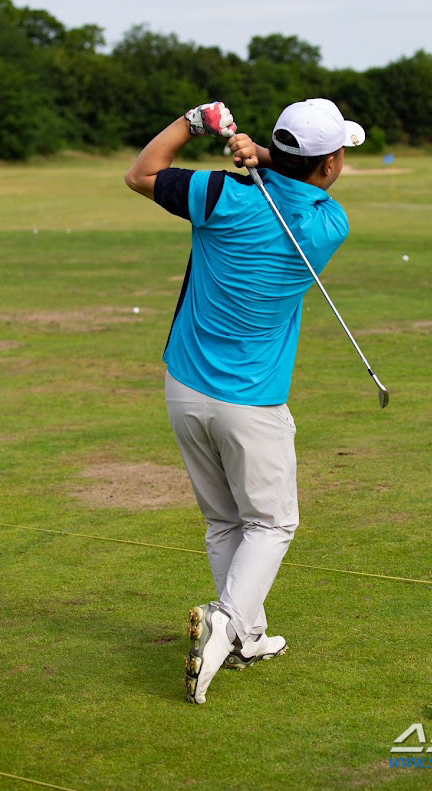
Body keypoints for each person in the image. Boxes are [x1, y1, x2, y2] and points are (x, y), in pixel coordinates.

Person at [124, 98, 365, 704]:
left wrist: (191, 123)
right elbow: (291, 187)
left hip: (185, 388)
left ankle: (247, 635)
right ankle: (226, 623)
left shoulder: (218, 197)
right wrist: (264, 160)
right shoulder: (327, 224)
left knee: (224, 520)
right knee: (273, 521)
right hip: (252, 403)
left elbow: (142, 172)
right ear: (330, 164)